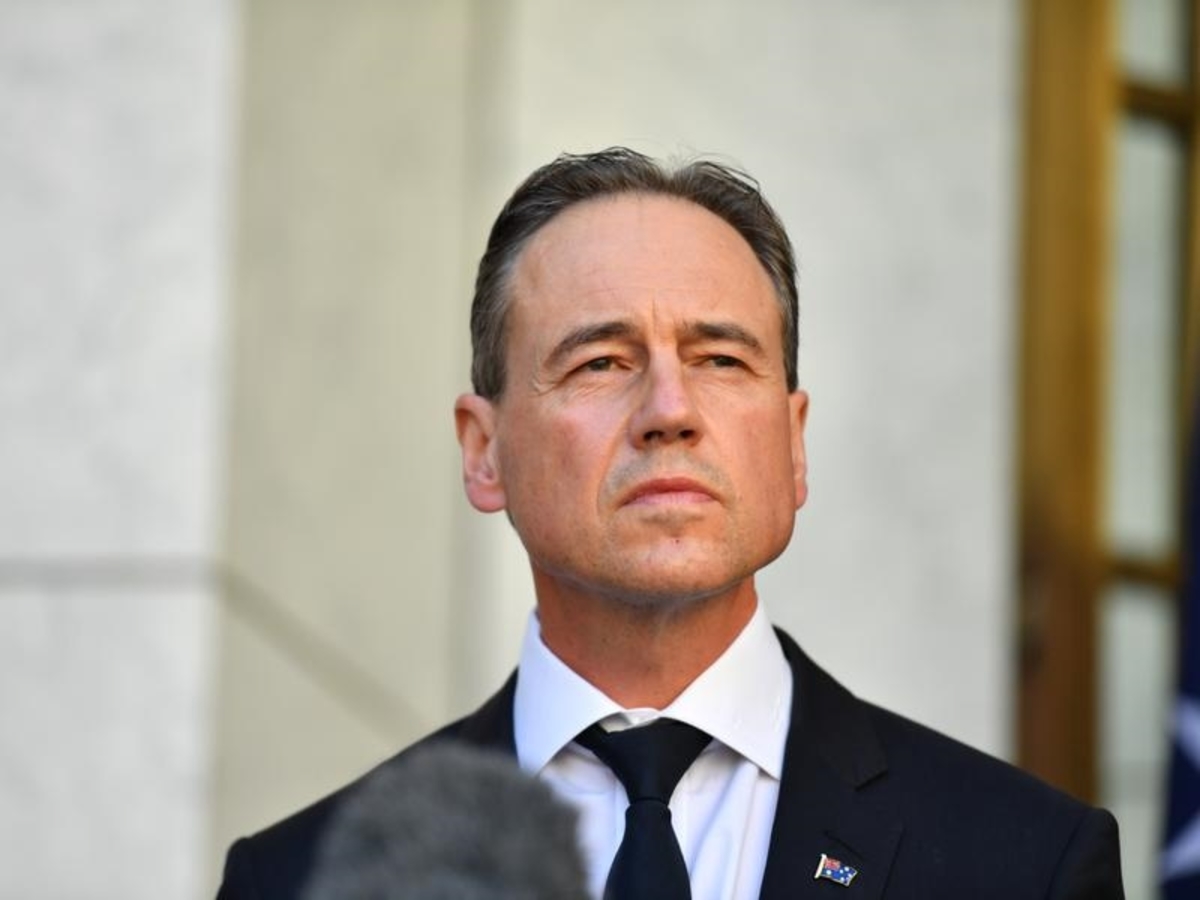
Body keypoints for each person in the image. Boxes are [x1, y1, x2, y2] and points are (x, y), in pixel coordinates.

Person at [217, 147, 1124, 899]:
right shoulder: (297, 881)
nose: (670, 410)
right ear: (483, 452)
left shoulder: (1025, 864)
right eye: (602, 362)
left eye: (720, 359)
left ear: (794, 444)